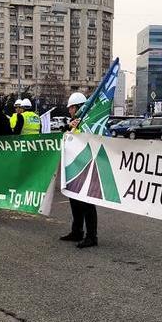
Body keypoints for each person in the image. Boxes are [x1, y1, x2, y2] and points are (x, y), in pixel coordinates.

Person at [60, 92, 98, 249]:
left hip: (87, 166)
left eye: (71, 108)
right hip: (74, 166)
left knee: (87, 203)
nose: (69, 111)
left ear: (78, 108)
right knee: (74, 200)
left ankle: (91, 236)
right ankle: (77, 231)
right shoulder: (75, 123)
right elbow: (66, 136)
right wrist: (69, 127)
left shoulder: (90, 123)